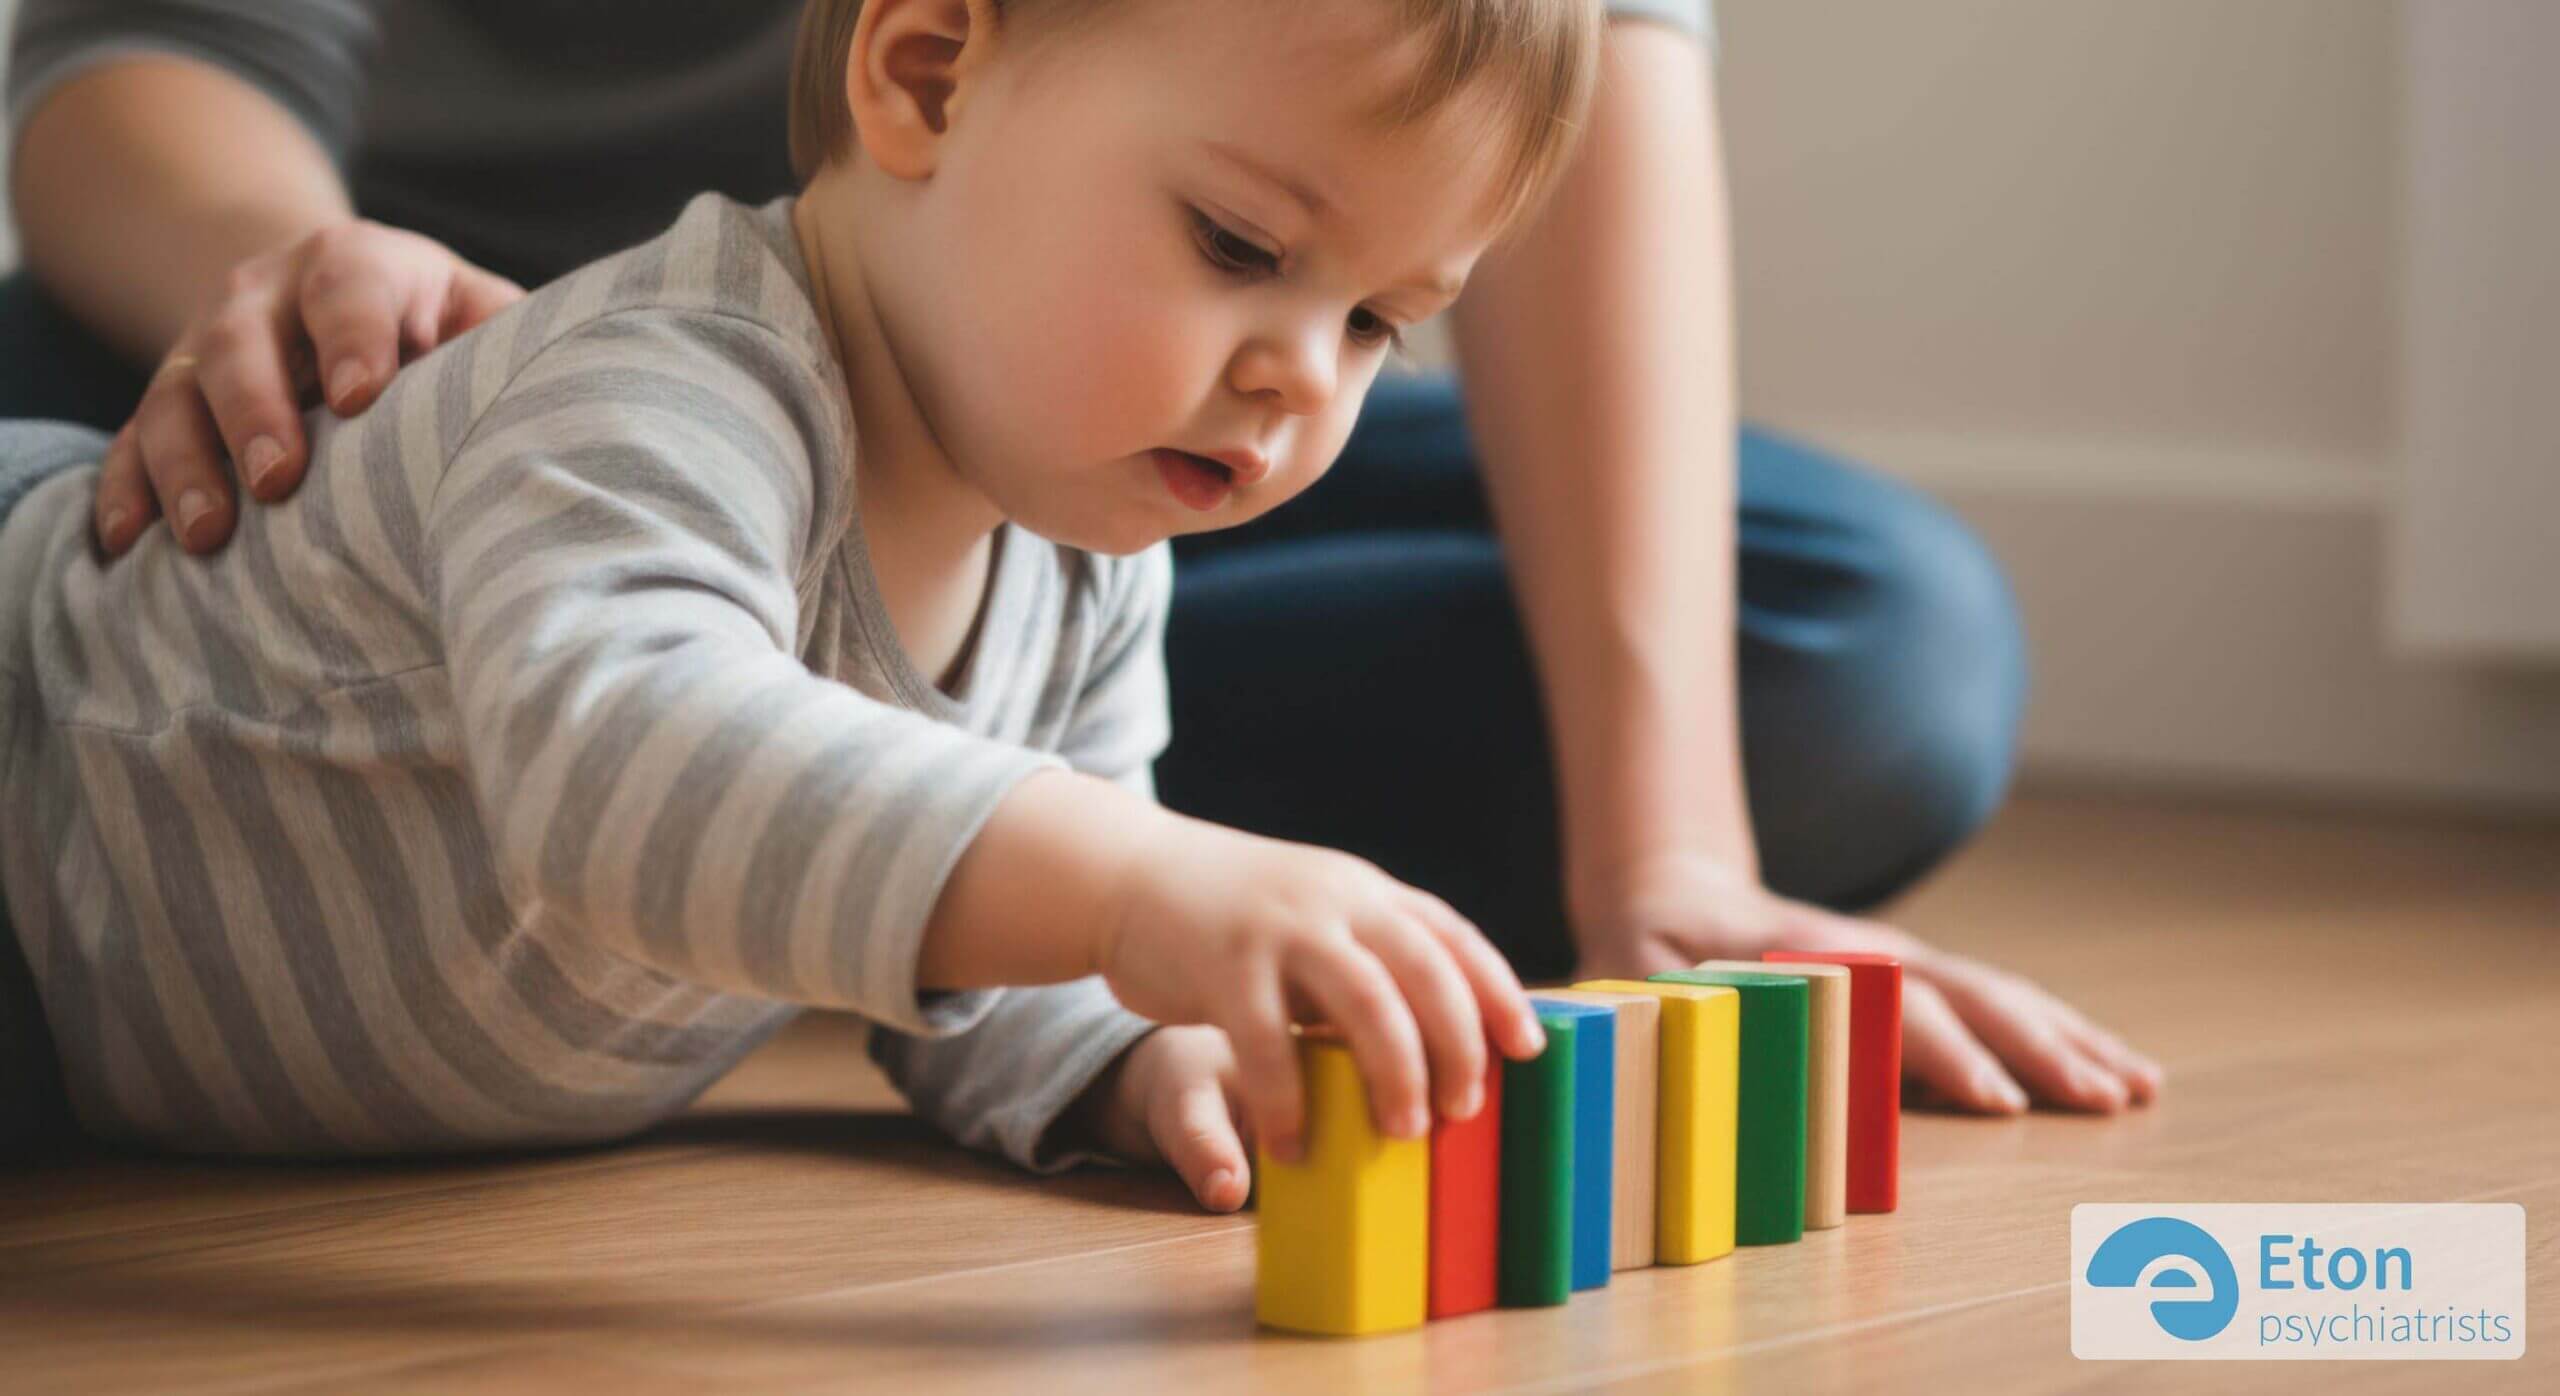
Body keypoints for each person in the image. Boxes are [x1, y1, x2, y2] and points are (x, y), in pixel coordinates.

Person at [1, 0, 2161, 1181]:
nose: (1297, 384)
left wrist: (1132, 1047)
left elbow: (1000, 953)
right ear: (926, 71)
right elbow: (630, 763)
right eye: (1241, 248)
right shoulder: (654, 383)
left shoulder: (1091, 523)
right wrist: (1136, 880)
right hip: (53, 860)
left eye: (1375, 324)